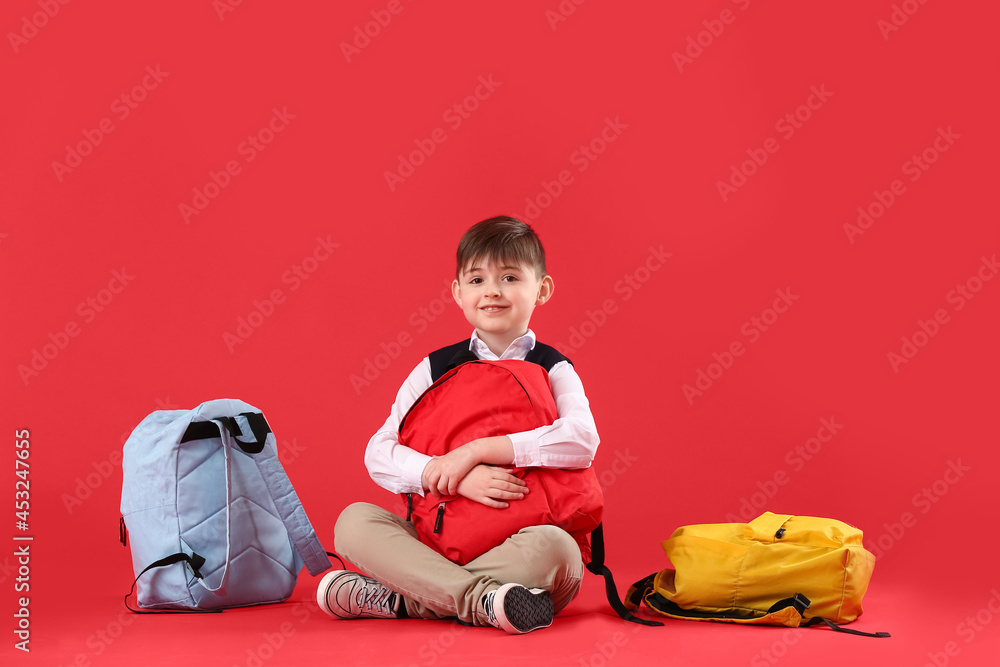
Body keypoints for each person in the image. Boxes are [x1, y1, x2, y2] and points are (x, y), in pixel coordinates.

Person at [318, 215, 600, 634]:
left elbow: (581, 441)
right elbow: (379, 452)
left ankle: (405, 598)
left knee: (559, 550)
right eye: (476, 280)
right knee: (353, 522)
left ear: (541, 289)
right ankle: (480, 600)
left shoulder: (552, 366)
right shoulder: (434, 368)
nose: (492, 291)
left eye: (509, 277)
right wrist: (447, 476)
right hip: (438, 540)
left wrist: (476, 452)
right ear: (457, 293)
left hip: (519, 551)